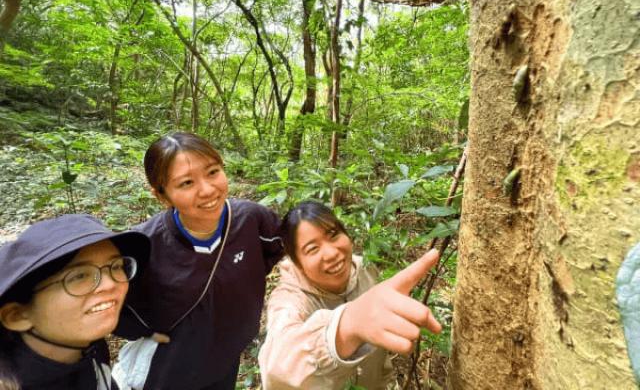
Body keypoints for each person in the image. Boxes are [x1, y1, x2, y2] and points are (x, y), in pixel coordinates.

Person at [114, 132, 284, 390]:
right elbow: (112, 306)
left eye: (213, 172)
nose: (207, 190)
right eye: (186, 183)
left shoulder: (251, 220)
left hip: (225, 362)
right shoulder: (144, 245)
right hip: (168, 371)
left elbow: (286, 250)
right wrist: (147, 332)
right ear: (162, 195)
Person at [258, 201, 442, 389]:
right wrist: (345, 327)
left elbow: (379, 357)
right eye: (312, 249)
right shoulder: (290, 299)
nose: (331, 253)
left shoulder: (364, 268)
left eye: (333, 235)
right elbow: (276, 368)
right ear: (297, 262)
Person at [0, 214, 150, 390]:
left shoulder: (88, 345)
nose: (111, 284)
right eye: (79, 276)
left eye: (116, 266)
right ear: (17, 316)